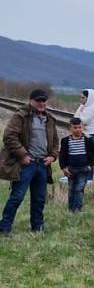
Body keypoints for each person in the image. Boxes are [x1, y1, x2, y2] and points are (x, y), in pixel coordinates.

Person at [0, 89, 58, 235]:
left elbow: (56, 141)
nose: (42, 103)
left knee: (39, 199)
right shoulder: (21, 116)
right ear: (30, 101)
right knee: (17, 196)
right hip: (26, 164)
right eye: (38, 100)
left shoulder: (49, 119)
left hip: (43, 165)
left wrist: (53, 156)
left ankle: (37, 228)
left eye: (44, 101)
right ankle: (5, 227)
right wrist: (23, 155)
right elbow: (9, 136)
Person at [58, 117, 94, 213]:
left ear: (83, 127)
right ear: (70, 128)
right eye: (75, 127)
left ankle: (78, 208)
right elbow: (62, 155)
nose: (78, 129)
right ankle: (71, 208)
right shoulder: (66, 140)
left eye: (80, 127)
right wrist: (63, 167)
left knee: (79, 189)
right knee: (71, 188)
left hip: (84, 168)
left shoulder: (88, 139)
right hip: (71, 169)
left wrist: (90, 165)